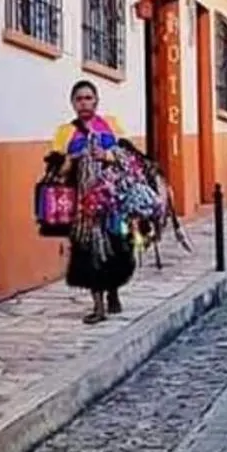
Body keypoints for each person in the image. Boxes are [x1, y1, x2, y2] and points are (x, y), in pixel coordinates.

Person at [50, 81, 137, 324]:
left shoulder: (111, 125)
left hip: (112, 202)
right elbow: (57, 172)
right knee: (89, 252)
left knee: (117, 247)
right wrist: (72, 159)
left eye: (88, 98)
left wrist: (106, 155)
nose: (84, 103)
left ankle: (113, 292)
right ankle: (98, 305)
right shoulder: (64, 133)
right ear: (73, 103)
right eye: (79, 98)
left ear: (96, 101)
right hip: (83, 205)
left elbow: (127, 158)